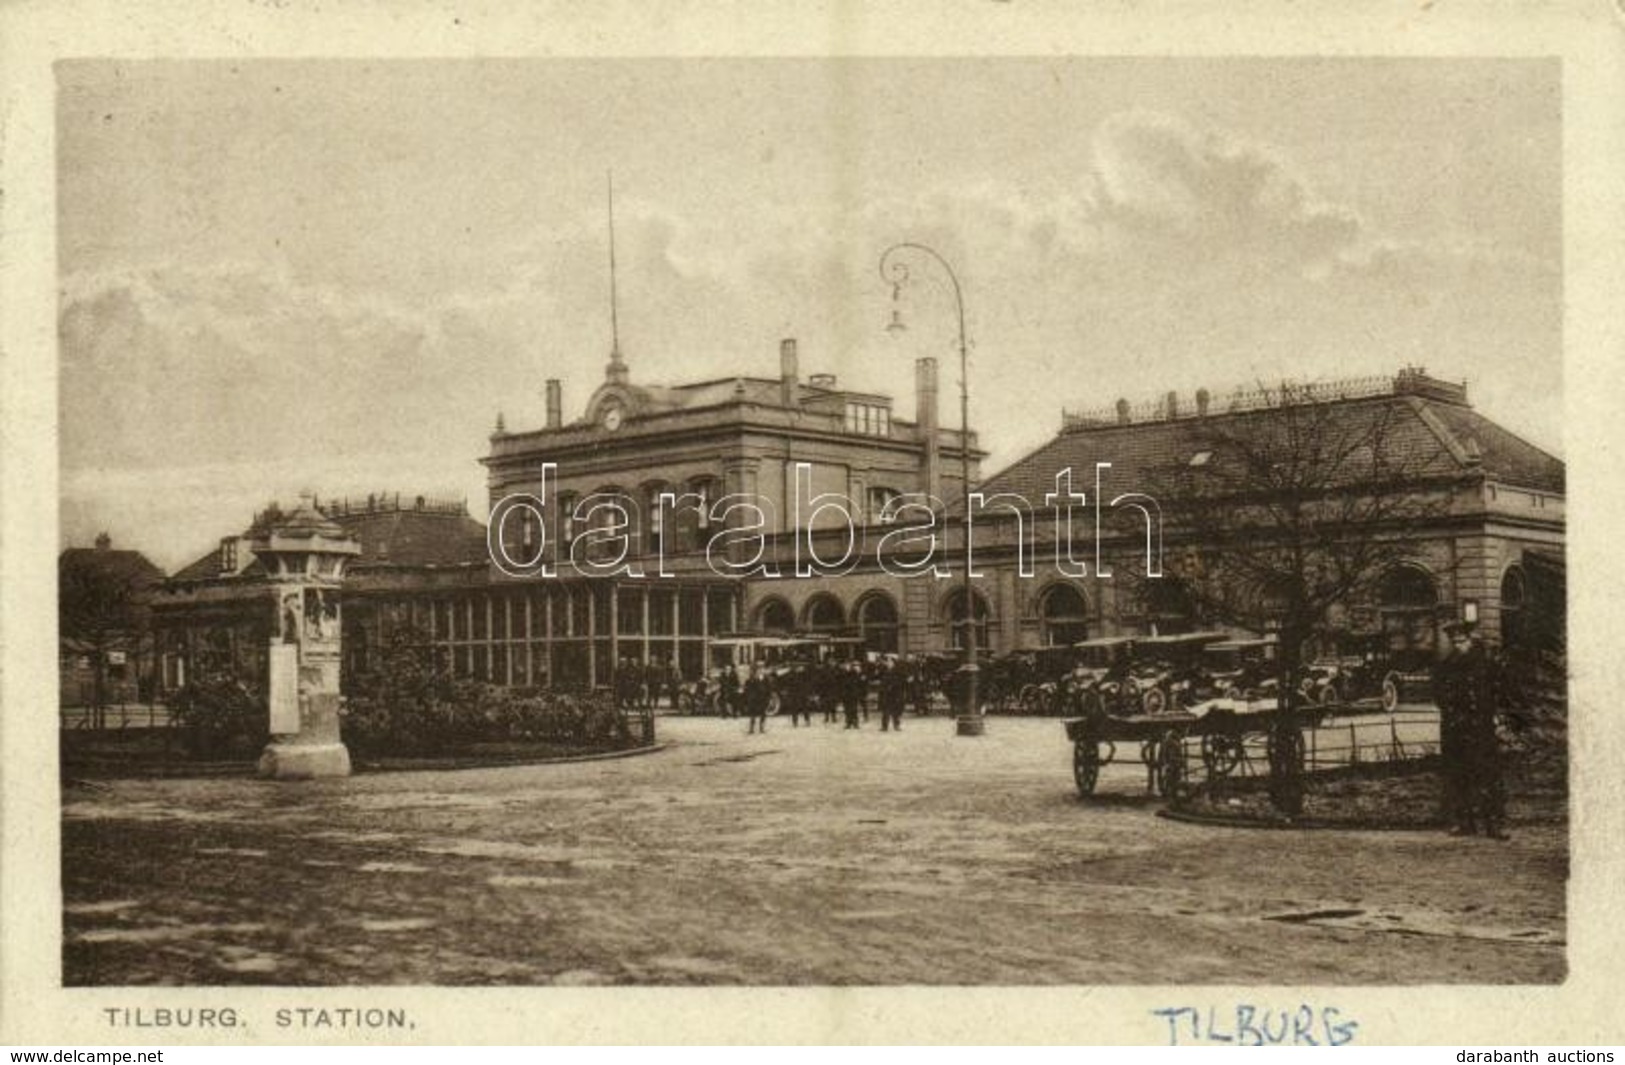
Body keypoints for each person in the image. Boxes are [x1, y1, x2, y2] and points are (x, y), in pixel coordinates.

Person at [1433, 620, 1508, 839]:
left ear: (1470, 639)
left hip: (1481, 728)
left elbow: (1499, 690)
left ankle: (1493, 824)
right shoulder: (1446, 666)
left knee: (1488, 774)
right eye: (1454, 642)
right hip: (1455, 729)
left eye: (1462, 641)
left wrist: (1496, 715)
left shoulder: (1485, 663)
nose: (1458, 645)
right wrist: (1451, 714)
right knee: (1458, 776)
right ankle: (1465, 823)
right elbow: (1439, 695)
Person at [878, 660, 906, 732]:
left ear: (893, 664)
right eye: (888, 662)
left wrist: (892, 686)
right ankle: (884, 726)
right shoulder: (884, 671)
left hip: (894, 694)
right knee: (885, 711)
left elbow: (899, 682)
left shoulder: (897, 672)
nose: (889, 664)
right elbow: (881, 681)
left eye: (890, 663)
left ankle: (896, 725)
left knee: (895, 711)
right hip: (886, 694)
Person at [743, 666, 772, 734]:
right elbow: (748, 689)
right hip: (755, 699)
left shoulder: (766, 679)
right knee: (752, 714)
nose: (761, 671)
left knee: (763, 713)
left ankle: (761, 728)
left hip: (763, 699)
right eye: (759, 670)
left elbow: (769, 689)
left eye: (762, 670)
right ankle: (751, 729)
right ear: (756, 671)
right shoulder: (752, 679)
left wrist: (768, 698)